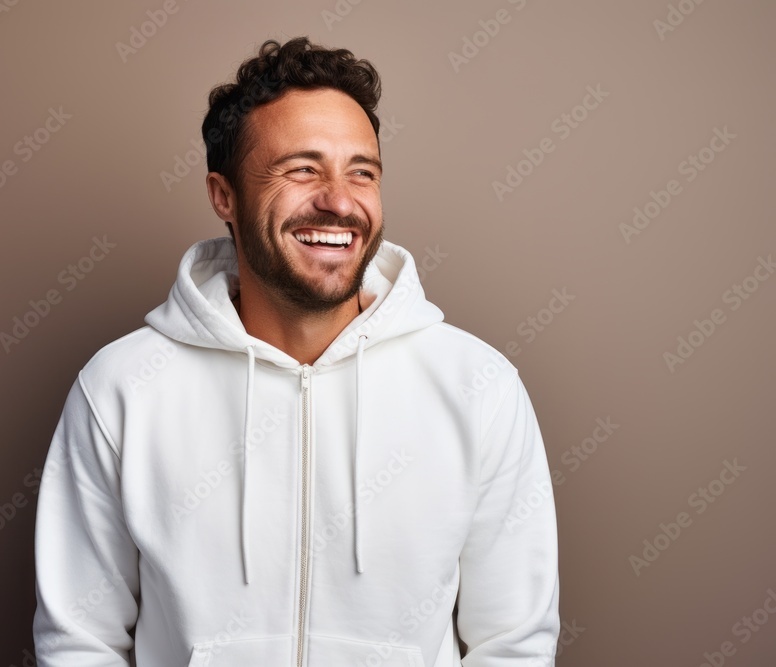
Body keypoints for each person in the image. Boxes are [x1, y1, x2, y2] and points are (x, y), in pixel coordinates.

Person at [32, 36, 559, 666]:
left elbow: (514, 646)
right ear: (223, 196)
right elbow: (79, 642)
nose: (339, 200)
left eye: (361, 171)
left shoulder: (480, 387)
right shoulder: (121, 388)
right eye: (302, 169)